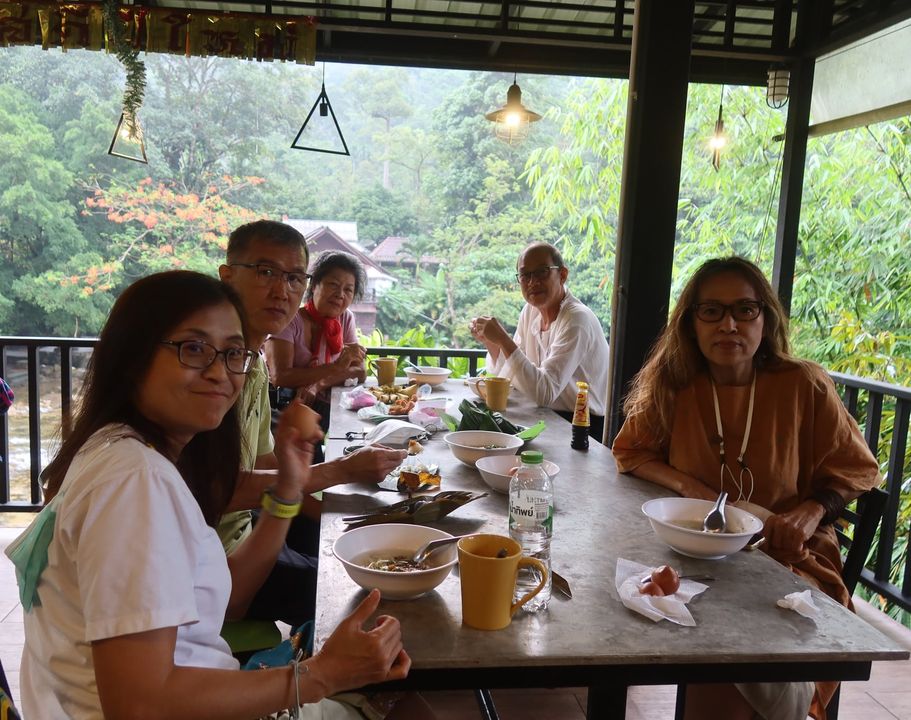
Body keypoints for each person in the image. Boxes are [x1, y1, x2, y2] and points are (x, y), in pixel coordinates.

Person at [11, 271, 414, 719]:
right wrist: (321, 676)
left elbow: (229, 602)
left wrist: (286, 492)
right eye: (194, 348)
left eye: (233, 353)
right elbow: (138, 704)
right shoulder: (134, 482)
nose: (220, 372)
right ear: (132, 357)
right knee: (409, 699)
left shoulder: (115, 447)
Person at [611, 256, 880, 720]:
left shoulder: (803, 384)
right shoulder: (675, 384)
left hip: (787, 558)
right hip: (695, 553)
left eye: (744, 309)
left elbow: (858, 468)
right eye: (711, 310)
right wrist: (689, 486)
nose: (729, 324)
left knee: (727, 661)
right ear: (691, 322)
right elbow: (630, 451)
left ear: (765, 318)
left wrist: (811, 511)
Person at [218, 220, 405, 627]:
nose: (281, 290)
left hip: (249, 525)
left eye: (293, 278)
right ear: (227, 276)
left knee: (366, 553)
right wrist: (340, 471)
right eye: (266, 272)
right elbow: (216, 490)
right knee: (361, 589)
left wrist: (339, 513)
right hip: (216, 557)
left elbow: (267, 464)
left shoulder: (251, 368)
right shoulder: (215, 373)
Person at [469, 242, 610, 441]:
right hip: (543, 418)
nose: (532, 282)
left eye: (542, 272)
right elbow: (512, 376)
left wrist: (503, 339)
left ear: (562, 275)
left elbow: (545, 393)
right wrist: (492, 343)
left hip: (582, 428)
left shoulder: (577, 319)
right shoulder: (530, 311)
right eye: (525, 275)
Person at [266, 250, 368, 428]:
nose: (340, 294)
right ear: (313, 285)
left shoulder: (345, 318)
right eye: (333, 285)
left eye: (348, 290)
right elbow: (280, 376)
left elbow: (359, 371)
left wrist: (318, 384)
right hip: (285, 407)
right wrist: (337, 367)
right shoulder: (290, 319)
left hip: (326, 404)